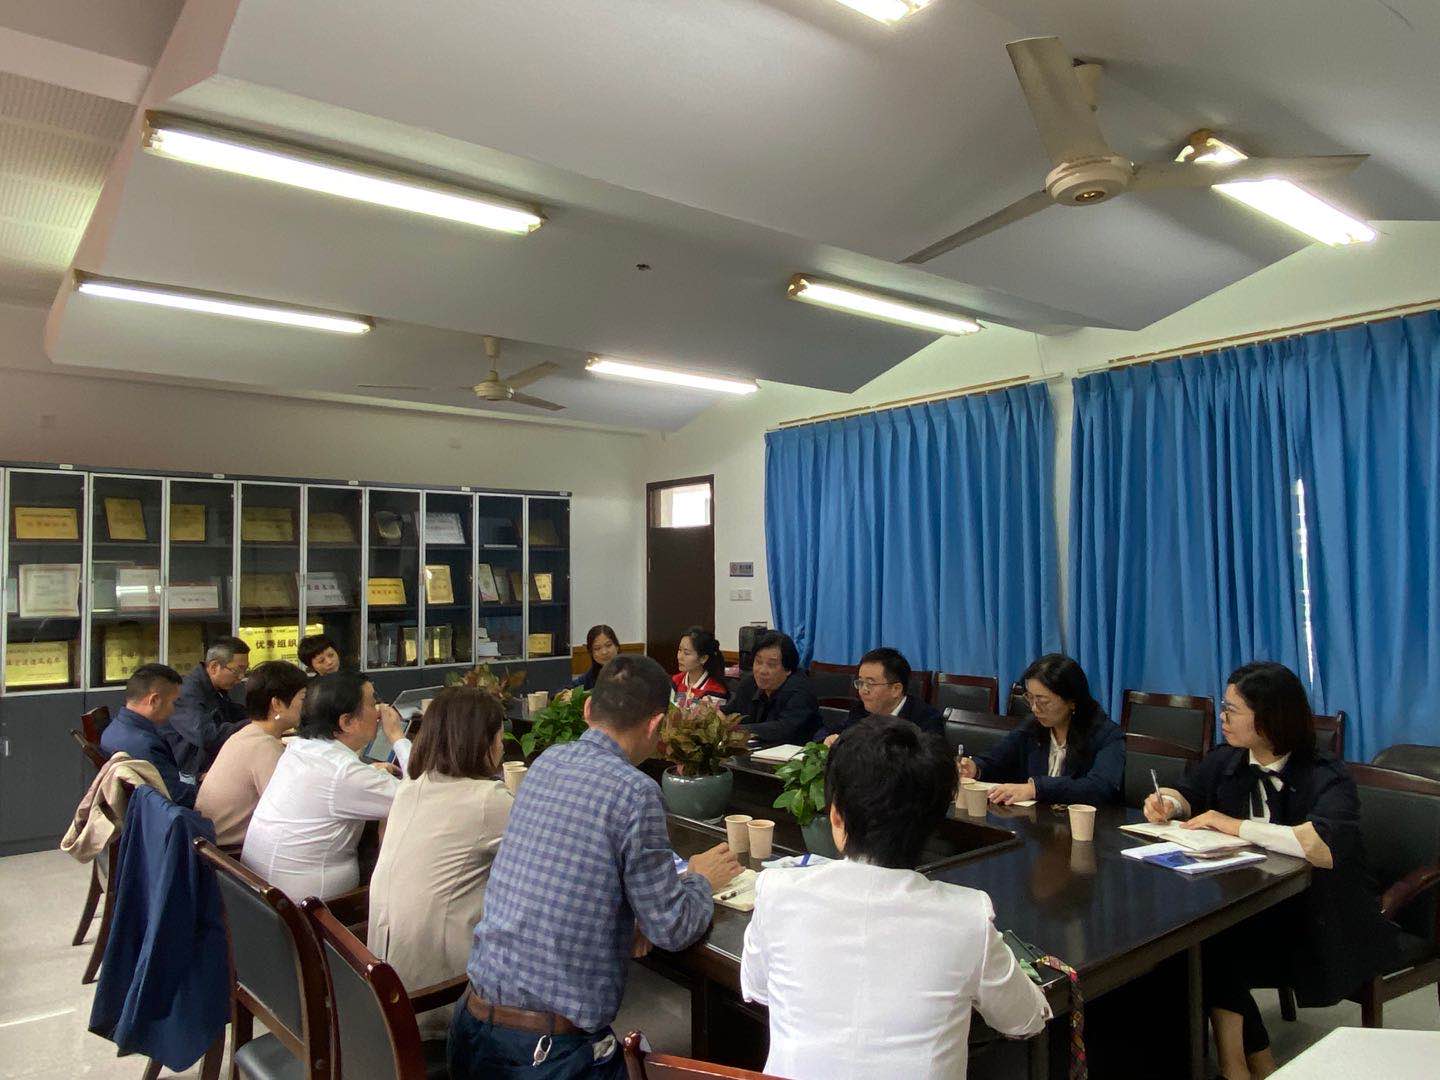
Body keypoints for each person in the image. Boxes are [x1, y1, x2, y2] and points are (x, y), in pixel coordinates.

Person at [455, 655, 743, 1079]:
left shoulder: (546, 762)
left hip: (472, 1028)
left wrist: (627, 915)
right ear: (656, 725)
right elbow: (672, 928)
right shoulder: (636, 792)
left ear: (588, 709)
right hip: (546, 1056)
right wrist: (700, 878)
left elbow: (568, 876)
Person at [741, 718, 1050, 1077]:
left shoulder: (777, 891)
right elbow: (1025, 1020)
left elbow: (758, 989)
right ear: (934, 824)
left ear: (836, 818)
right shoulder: (968, 917)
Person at [1144, 662, 1397, 1080]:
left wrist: (1234, 826)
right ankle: (1244, 1062)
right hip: (1253, 904)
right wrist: (1168, 803)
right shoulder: (1228, 759)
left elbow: (1318, 843)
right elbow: (1189, 792)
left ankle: (1243, 1064)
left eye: (1232, 710)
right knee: (1197, 941)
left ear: (1269, 717)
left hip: (1318, 915)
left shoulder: (1326, 775)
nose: (1222, 718)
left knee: (1212, 944)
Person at [367, 686, 513, 1038]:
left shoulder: (412, 785)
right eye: (499, 737)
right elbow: (546, 854)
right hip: (438, 998)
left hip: (384, 985)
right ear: (482, 742)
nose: (503, 746)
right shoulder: (486, 800)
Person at [241, 671, 411, 900]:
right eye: (373, 703)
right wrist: (398, 736)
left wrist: (371, 772)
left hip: (263, 895)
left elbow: (332, 785)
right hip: (315, 907)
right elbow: (423, 795)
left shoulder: (301, 748)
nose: (381, 711)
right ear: (347, 722)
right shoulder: (343, 772)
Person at [961, 653, 1124, 805]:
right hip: (1038, 820)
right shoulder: (1032, 727)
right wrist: (975, 768)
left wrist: (1036, 789)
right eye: (1030, 698)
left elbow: (1099, 787)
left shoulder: (1106, 734)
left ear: (1072, 701)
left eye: (1043, 701)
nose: (1034, 708)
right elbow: (997, 760)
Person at [194, 660, 308, 846]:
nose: (307, 706)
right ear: (277, 704)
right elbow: (290, 811)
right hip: (230, 853)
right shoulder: (264, 747)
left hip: (213, 843)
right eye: (303, 699)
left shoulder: (247, 734)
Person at [99, 664, 195, 808]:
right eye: (173, 702)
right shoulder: (146, 744)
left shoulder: (114, 728)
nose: (174, 710)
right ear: (154, 700)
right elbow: (177, 796)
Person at [163, 636, 250, 781]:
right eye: (237, 671)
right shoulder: (187, 693)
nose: (241, 677)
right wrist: (254, 725)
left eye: (245, 670)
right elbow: (205, 734)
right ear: (214, 667)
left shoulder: (216, 688)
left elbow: (235, 713)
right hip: (188, 774)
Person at [818, 646, 944, 745]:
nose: (863, 691)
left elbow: (931, 760)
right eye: (860, 682)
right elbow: (826, 732)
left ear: (896, 689)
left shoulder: (926, 718)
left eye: (870, 683)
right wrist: (828, 739)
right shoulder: (861, 710)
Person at [724, 631, 820, 745]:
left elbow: (783, 729)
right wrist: (715, 714)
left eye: (771, 665)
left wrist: (736, 729)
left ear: (788, 669)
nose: (762, 671)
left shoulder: (800, 691)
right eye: (758, 662)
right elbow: (731, 711)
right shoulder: (749, 684)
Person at [672, 626, 729, 704]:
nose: (679, 657)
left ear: (703, 658)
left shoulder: (716, 691)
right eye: (679, 650)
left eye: (686, 653)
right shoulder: (676, 681)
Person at [571, 624, 620, 691]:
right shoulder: (593, 673)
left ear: (616, 646)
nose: (604, 652)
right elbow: (571, 686)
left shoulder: (630, 670)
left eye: (608, 645)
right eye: (597, 648)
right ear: (591, 652)